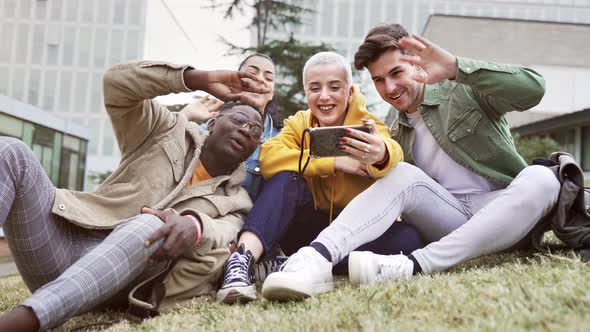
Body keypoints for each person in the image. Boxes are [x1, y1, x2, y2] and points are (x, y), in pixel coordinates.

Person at [263, 23, 560, 298]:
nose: (389, 88)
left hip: (504, 213)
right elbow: (390, 175)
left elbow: (534, 89)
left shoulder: (463, 89)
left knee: (544, 177)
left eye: (396, 73)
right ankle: (316, 258)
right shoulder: (392, 128)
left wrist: (456, 68)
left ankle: (416, 265)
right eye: (379, 80)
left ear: (418, 63)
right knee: (401, 172)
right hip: (450, 217)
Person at [0, 60, 270, 331]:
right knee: (11, 152)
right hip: (60, 244)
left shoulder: (238, 201)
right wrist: (196, 78)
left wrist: (195, 225)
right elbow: (116, 84)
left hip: (114, 284)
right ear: (212, 123)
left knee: (153, 224)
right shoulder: (165, 129)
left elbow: (225, 232)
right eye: (238, 120)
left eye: (255, 130)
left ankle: (21, 323)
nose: (246, 129)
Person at [217, 51, 425, 304]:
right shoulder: (299, 123)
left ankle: (292, 263)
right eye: (315, 88)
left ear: (349, 92)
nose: (324, 96)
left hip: (353, 232)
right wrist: (334, 162)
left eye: (334, 87)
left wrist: (379, 154)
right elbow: (270, 158)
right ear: (307, 93)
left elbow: (392, 152)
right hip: (307, 224)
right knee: (286, 179)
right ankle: (241, 260)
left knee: (409, 239)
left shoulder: (368, 124)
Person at [179, 54, 281, 201]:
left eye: (269, 78)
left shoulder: (280, 142)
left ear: (272, 93)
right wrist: (185, 115)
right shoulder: (206, 125)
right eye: (252, 73)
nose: (259, 80)